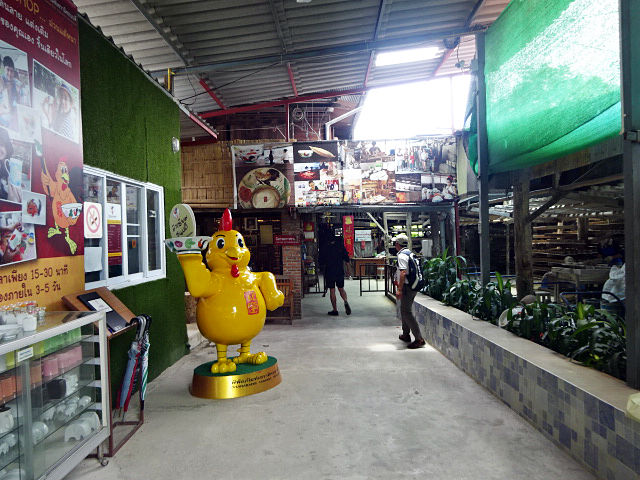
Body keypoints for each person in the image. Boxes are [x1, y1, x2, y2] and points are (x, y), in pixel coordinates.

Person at [394, 234, 425, 349]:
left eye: (395, 243)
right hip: (413, 285)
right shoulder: (410, 253)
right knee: (404, 310)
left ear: (397, 244)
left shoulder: (402, 255)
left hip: (408, 287)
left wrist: (399, 289)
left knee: (406, 312)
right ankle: (406, 334)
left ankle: (419, 339)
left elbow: (403, 273)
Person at [319, 235, 352, 316]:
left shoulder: (326, 247)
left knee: (332, 290)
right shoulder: (341, 247)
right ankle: (345, 301)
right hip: (339, 271)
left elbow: (321, 261)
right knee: (341, 289)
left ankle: (335, 310)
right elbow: (347, 260)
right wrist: (349, 270)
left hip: (330, 271)